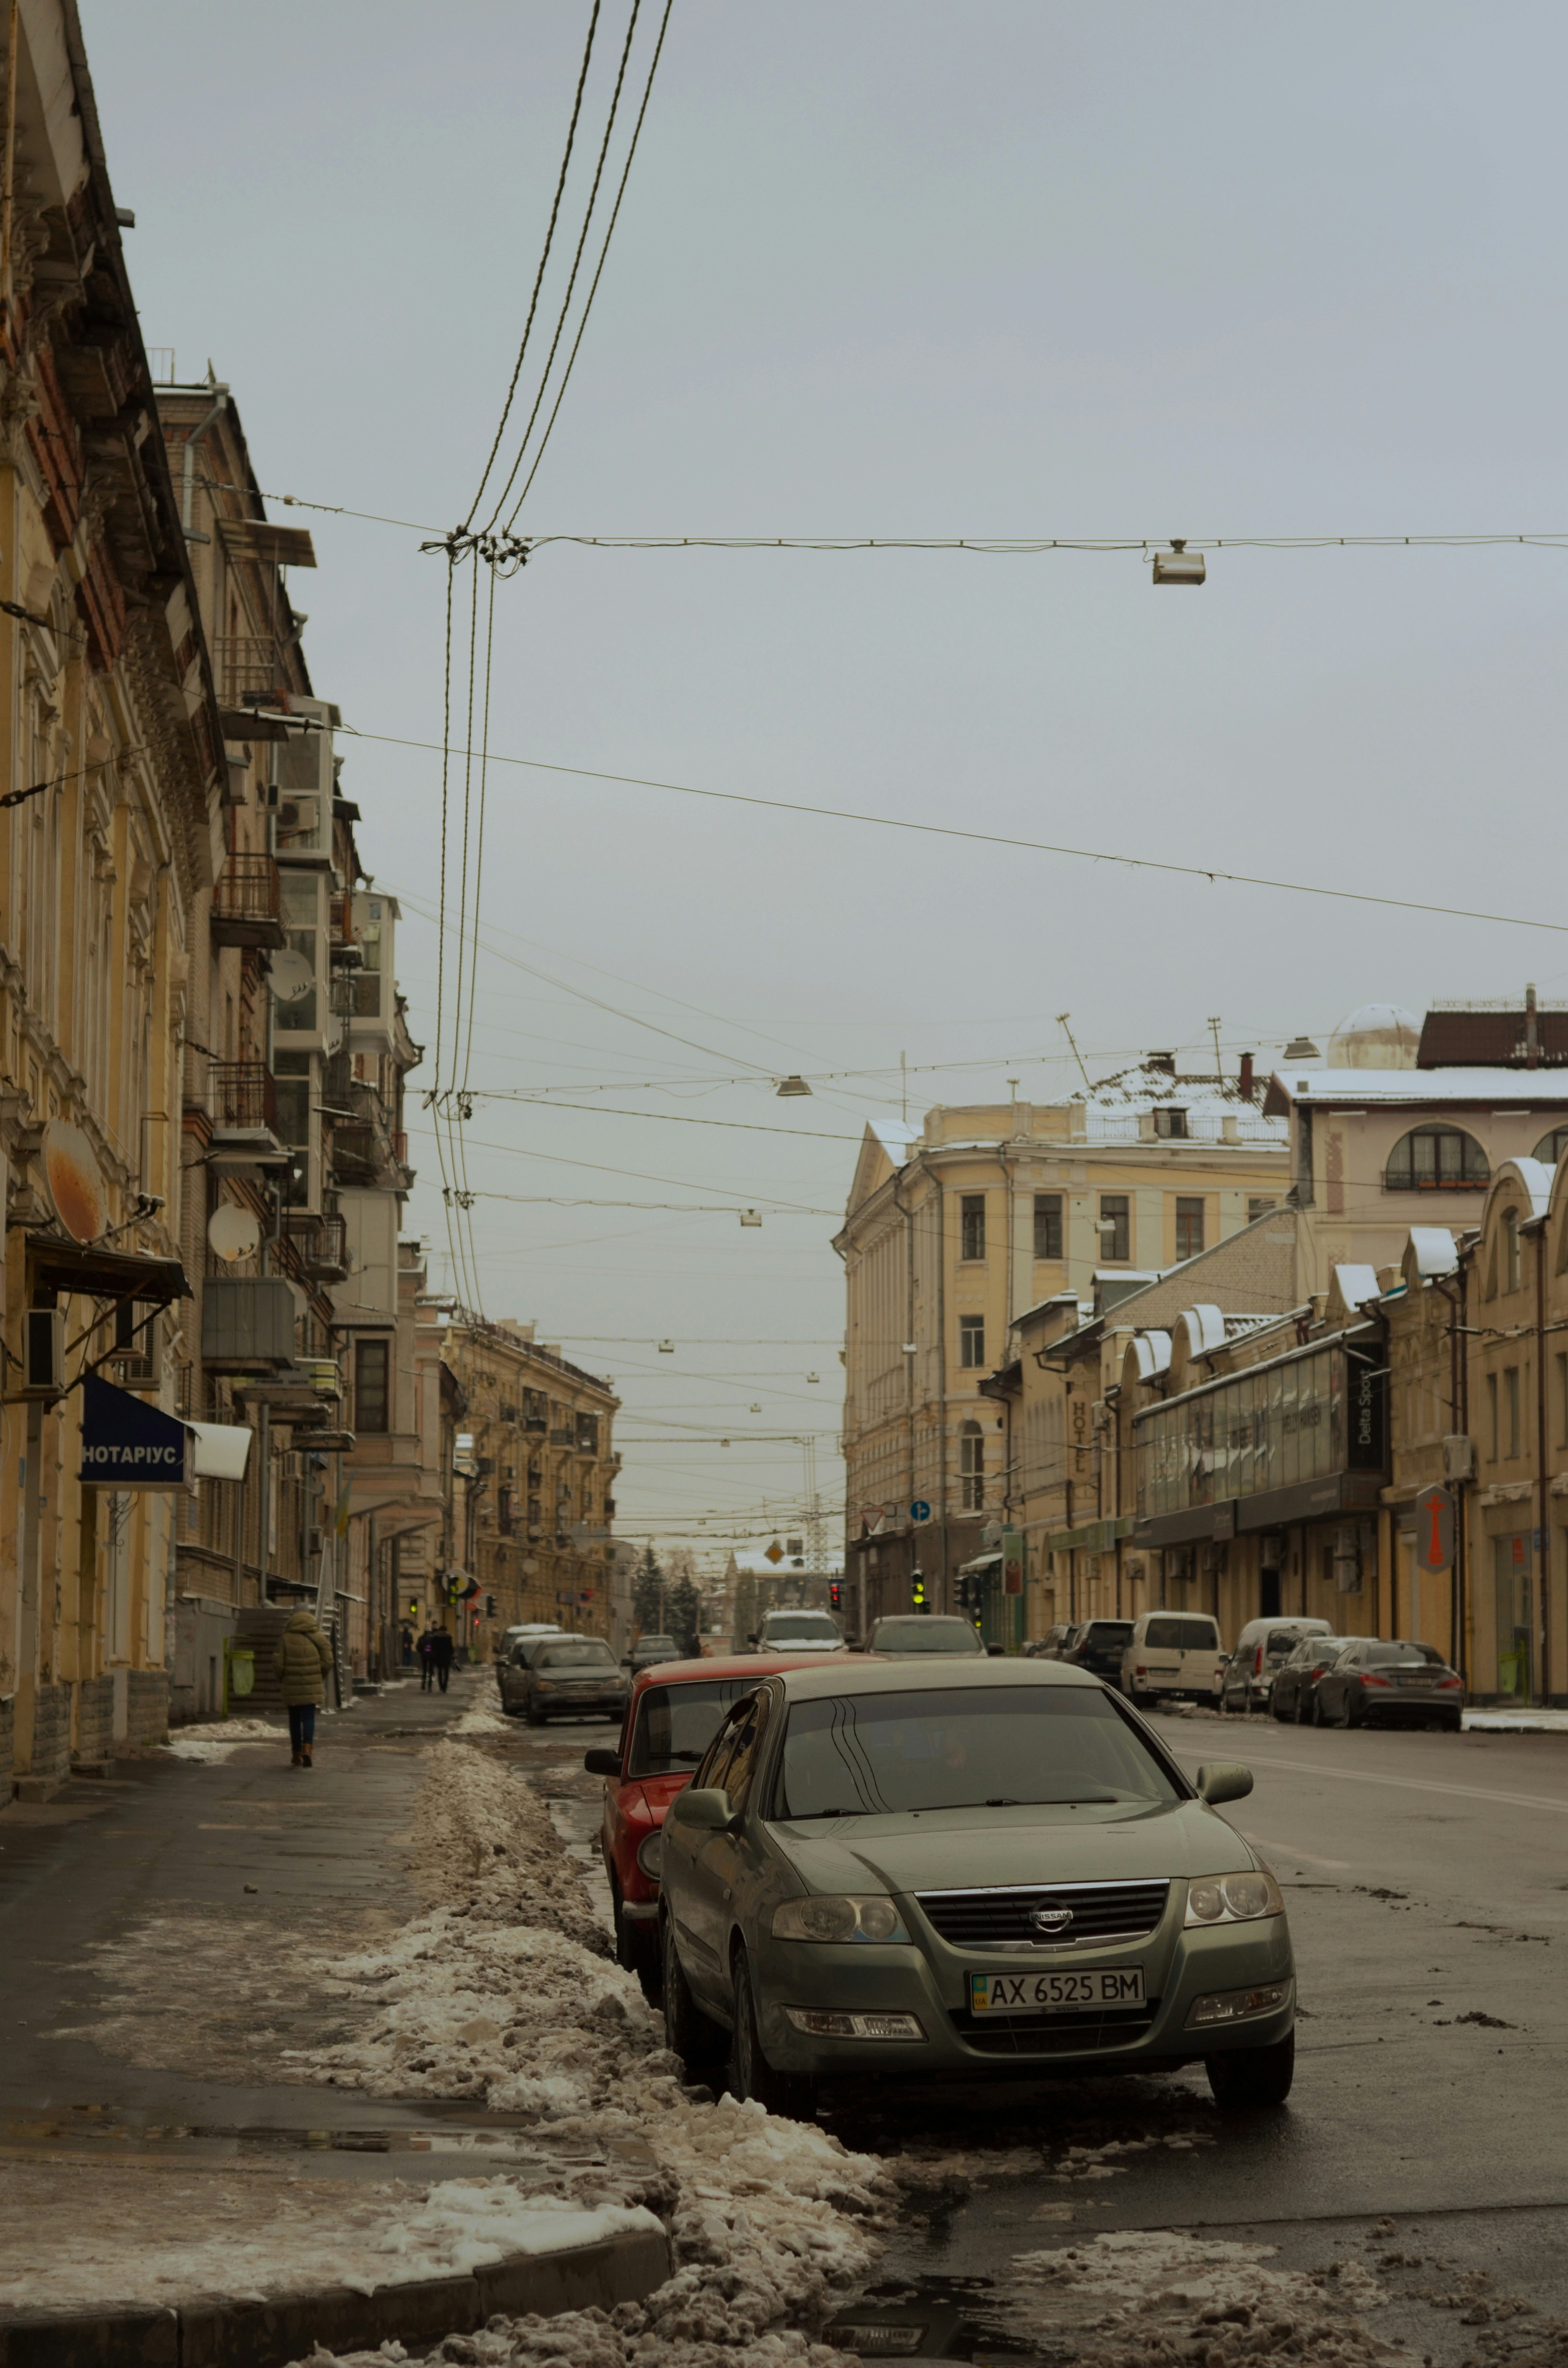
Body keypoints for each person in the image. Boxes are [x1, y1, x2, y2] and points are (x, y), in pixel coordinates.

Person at [274, 1605, 333, 1768]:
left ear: (293, 1617)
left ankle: (296, 1754)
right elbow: (329, 1661)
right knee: (308, 1717)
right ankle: (308, 1748)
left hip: (292, 1685)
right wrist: (318, 1675)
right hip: (311, 1685)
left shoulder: (286, 1638)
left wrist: (283, 1678)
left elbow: (278, 1664)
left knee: (294, 1719)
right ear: (309, 1616)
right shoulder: (318, 1637)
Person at [429, 1623, 455, 1694]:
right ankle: (445, 1687)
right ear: (446, 1630)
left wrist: (434, 1654)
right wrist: (452, 1654)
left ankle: (441, 1686)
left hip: (438, 1656)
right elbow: (451, 1647)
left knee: (440, 1672)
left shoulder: (436, 1637)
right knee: (446, 1673)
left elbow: (433, 1647)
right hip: (447, 1657)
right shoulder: (449, 1637)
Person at [418, 1624, 437, 1692]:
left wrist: (422, 1652)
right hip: (431, 1656)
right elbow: (435, 1647)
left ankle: (423, 1684)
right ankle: (430, 1686)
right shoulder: (433, 1638)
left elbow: (418, 1647)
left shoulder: (421, 1638)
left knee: (424, 1670)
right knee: (431, 1671)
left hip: (424, 1656)